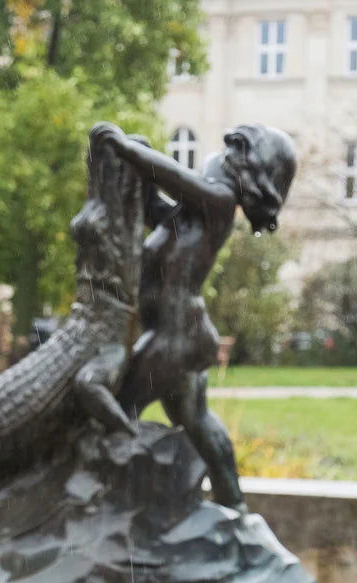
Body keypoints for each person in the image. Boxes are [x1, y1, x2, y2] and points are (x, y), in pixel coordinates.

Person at [92, 122, 297, 510]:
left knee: (114, 412)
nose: (218, 158)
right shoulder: (189, 218)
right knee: (196, 420)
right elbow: (154, 204)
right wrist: (136, 159)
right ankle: (231, 501)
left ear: (248, 170)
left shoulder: (217, 203)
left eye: (232, 154)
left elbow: (172, 176)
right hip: (182, 332)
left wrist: (128, 150)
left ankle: (114, 509)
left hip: (176, 335)